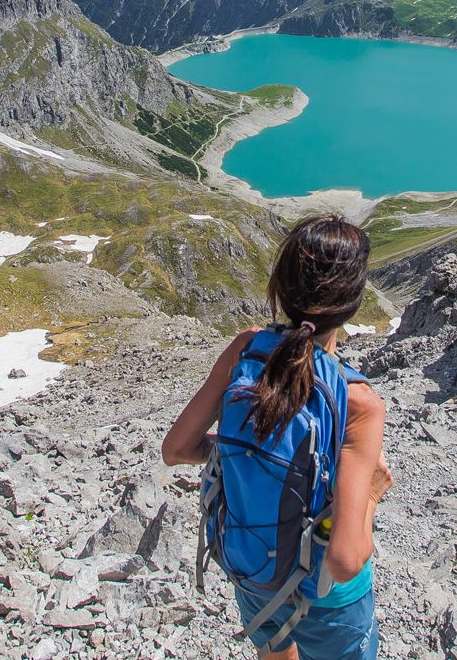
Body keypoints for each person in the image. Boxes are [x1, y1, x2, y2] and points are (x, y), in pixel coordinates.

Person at [162, 214, 393, 659]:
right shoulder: (359, 402)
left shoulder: (246, 348)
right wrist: (372, 495)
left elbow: (176, 450)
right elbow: (345, 561)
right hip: (327, 601)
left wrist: (240, 452)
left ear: (282, 290)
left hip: (252, 566)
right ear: (352, 304)